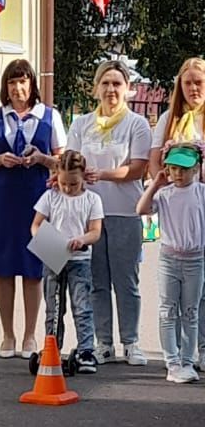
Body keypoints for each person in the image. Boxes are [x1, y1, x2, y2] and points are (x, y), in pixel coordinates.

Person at [0, 59, 66, 358]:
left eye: (23, 81)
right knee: (2, 268)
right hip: (1, 199)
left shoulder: (50, 116)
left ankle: (30, 336)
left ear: (32, 84)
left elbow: (62, 161)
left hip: (39, 199)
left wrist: (41, 158)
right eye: (12, 83)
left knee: (34, 268)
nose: (18, 88)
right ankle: (7, 335)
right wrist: (0, 160)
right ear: (6, 87)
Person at [66, 59, 151, 365]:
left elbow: (138, 168)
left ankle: (131, 342)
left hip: (125, 212)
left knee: (126, 280)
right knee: (97, 280)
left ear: (127, 90)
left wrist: (102, 174)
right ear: (96, 88)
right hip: (90, 215)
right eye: (106, 83)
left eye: (117, 84)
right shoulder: (81, 124)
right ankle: (104, 343)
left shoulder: (137, 124)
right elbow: (71, 162)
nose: (111, 89)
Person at [148, 57, 205, 367]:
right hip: (179, 209)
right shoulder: (171, 118)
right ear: (180, 87)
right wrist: (165, 185)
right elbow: (155, 160)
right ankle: (181, 357)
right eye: (188, 83)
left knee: (200, 295)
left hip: (202, 205)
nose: (194, 88)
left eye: (199, 82)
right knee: (179, 298)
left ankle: (200, 350)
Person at [31, 150, 104, 373]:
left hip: (79, 259)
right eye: (63, 183)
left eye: (73, 184)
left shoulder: (92, 200)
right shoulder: (51, 197)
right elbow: (35, 224)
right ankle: (52, 346)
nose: (67, 188)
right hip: (54, 257)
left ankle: (85, 350)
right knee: (53, 307)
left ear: (83, 178)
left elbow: (95, 231)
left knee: (81, 306)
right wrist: (44, 239)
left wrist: (81, 240)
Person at [137, 145, 205, 383]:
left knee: (190, 312)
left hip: (195, 259)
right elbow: (142, 209)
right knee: (167, 310)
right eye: (174, 168)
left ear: (196, 169)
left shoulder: (201, 192)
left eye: (184, 169)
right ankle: (172, 362)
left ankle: (187, 361)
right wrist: (155, 184)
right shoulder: (164, 194)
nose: (178, 174)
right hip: (169, 258)